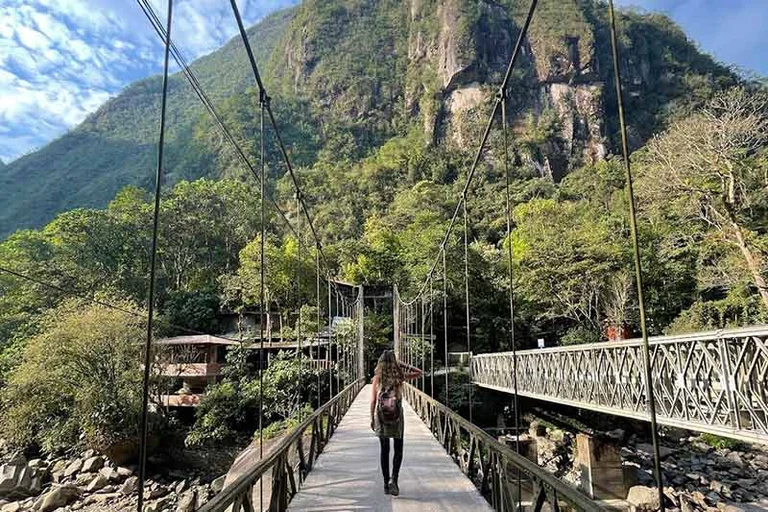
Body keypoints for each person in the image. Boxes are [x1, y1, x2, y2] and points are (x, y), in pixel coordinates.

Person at [370, 350, 423, 496]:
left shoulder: (377, 378)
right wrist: (401, 364)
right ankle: (395, 480)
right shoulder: (399, 377)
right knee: (398, 448)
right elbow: (419, 372)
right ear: (394, 362)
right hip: (397, 418)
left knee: (384, 451)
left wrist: (371, 419)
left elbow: (374, 401)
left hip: (381, 418)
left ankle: (386, 484)